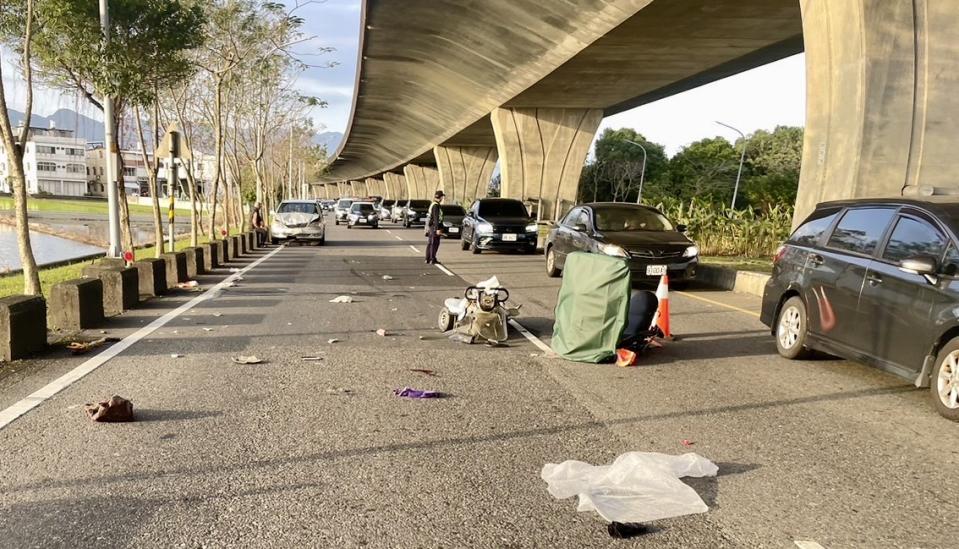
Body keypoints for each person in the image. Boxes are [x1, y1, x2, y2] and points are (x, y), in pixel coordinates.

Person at [425, 190, 445, 264]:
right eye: (442, 197)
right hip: (434, 226)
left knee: (430, 242)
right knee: (434, 243)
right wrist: (437, 229)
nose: (442, 198)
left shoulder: (433, 204)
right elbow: (436, 218)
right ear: (440, 197)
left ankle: (428, 258)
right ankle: (432, 259)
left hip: (432, 226)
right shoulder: (436, 206)